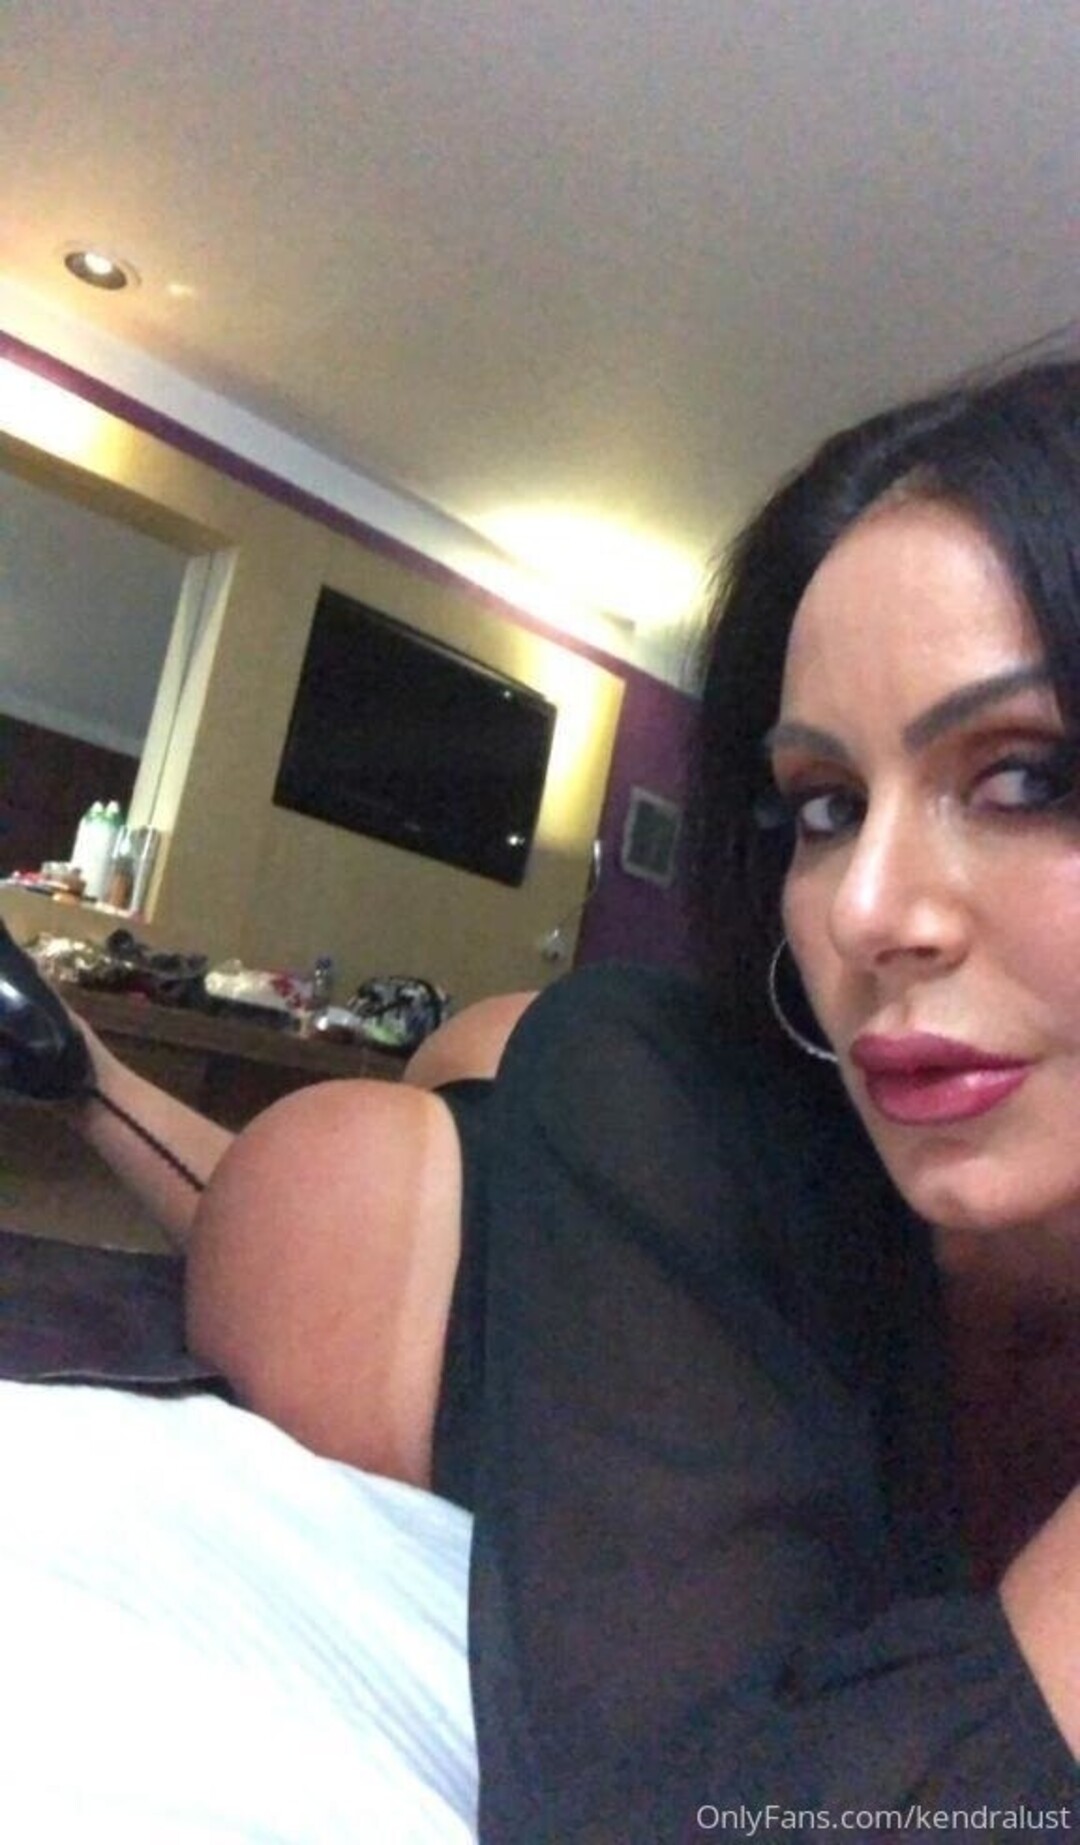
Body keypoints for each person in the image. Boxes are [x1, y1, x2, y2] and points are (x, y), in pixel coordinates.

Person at [49, 354, 1080, 1837]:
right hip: (543, 1232)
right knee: (355, 1157)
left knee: (510, 1041)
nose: (864, 908)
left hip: (751, 1126)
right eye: (823, 806)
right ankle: (79, 1070)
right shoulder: (665, 1100)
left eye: (1026, 776)